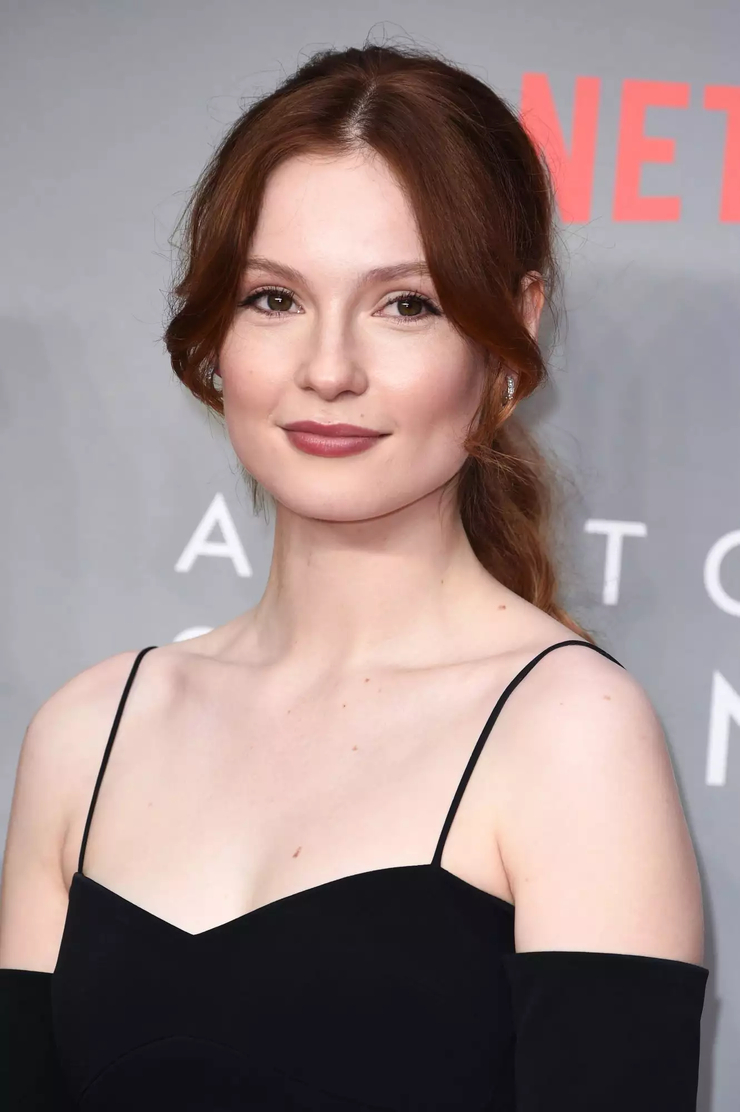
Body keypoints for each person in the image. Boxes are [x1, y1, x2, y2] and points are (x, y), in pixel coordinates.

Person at [0, 40, 707, 1111]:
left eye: (405, 303)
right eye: (273, 299)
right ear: (216, 329)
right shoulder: (85, 733)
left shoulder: (569, 735)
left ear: (510, 333)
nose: (328, 369)